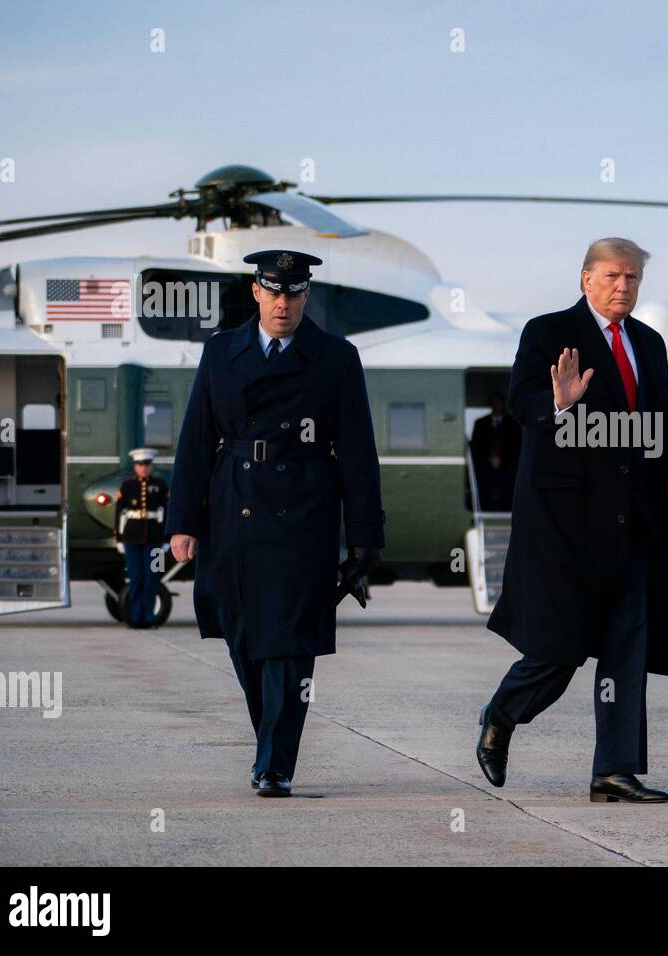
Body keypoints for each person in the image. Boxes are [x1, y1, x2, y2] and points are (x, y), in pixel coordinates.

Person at [166, 249, 385, 798]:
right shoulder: (221, 352)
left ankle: (275, 762)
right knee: (242, 635)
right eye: (274, 292)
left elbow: (359, 450)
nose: (284, 302)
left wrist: (363, 537)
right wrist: (181, 520)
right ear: (256, 292)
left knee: (288, 642)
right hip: (232, 500)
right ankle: (272, 736)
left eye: (294, 293)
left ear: (306, 296)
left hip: (304, 510)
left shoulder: (335, 356)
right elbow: (195, 438)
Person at [476, 237, 668, 802]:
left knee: (627, 649)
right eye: (614, 276)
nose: (624, 287)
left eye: (634, 278)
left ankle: (614, 770)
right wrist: (561, 403)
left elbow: (658, 435)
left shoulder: (650, 343)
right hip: (566, 523)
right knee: (559, 646)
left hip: (632, 522)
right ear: (586, 279)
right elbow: (522, 404)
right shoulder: (546, 332)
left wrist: (666, 517)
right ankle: (501, 714)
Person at [115, 447, 168, 629]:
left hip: (156, 541)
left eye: (147, 464)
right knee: (136, 578)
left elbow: (167, 513)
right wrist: (119, 539)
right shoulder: (127, 486)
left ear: (151, 466)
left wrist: (167, 540)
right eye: (140, 464)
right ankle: (136, 617)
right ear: (135, 466)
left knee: (153, 579)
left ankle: (150, 617)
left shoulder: (161, 486)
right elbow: (120, 513)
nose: (143, 468)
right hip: (132, 539)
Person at [470, 392, 521, 511]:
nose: (496, 405)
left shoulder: (513, 425)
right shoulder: (480, 424)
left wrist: (502, 459)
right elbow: (476, 446)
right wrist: (489, 458)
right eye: (494, 402)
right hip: (485, 467)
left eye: (499, 402)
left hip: (507, 468)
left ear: (503, 405)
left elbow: (516, 447)